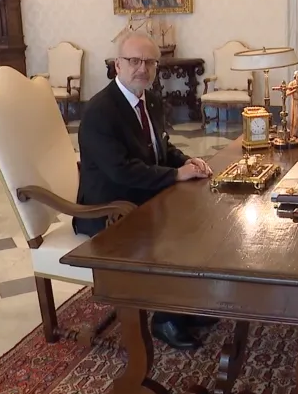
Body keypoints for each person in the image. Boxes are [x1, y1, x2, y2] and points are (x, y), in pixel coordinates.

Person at [74, 31, 216, 350]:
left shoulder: (148, 97)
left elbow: (158, 146)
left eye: (149, 62)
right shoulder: (100, 112)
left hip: (140, 192)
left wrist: (186, 162)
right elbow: (121, 171)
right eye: (134, 61)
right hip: (109, 208)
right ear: (117, 65)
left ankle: (186, 306)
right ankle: (166, 319)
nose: (142, 68)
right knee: (172, 228)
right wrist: (175, 175)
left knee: (198, 215)